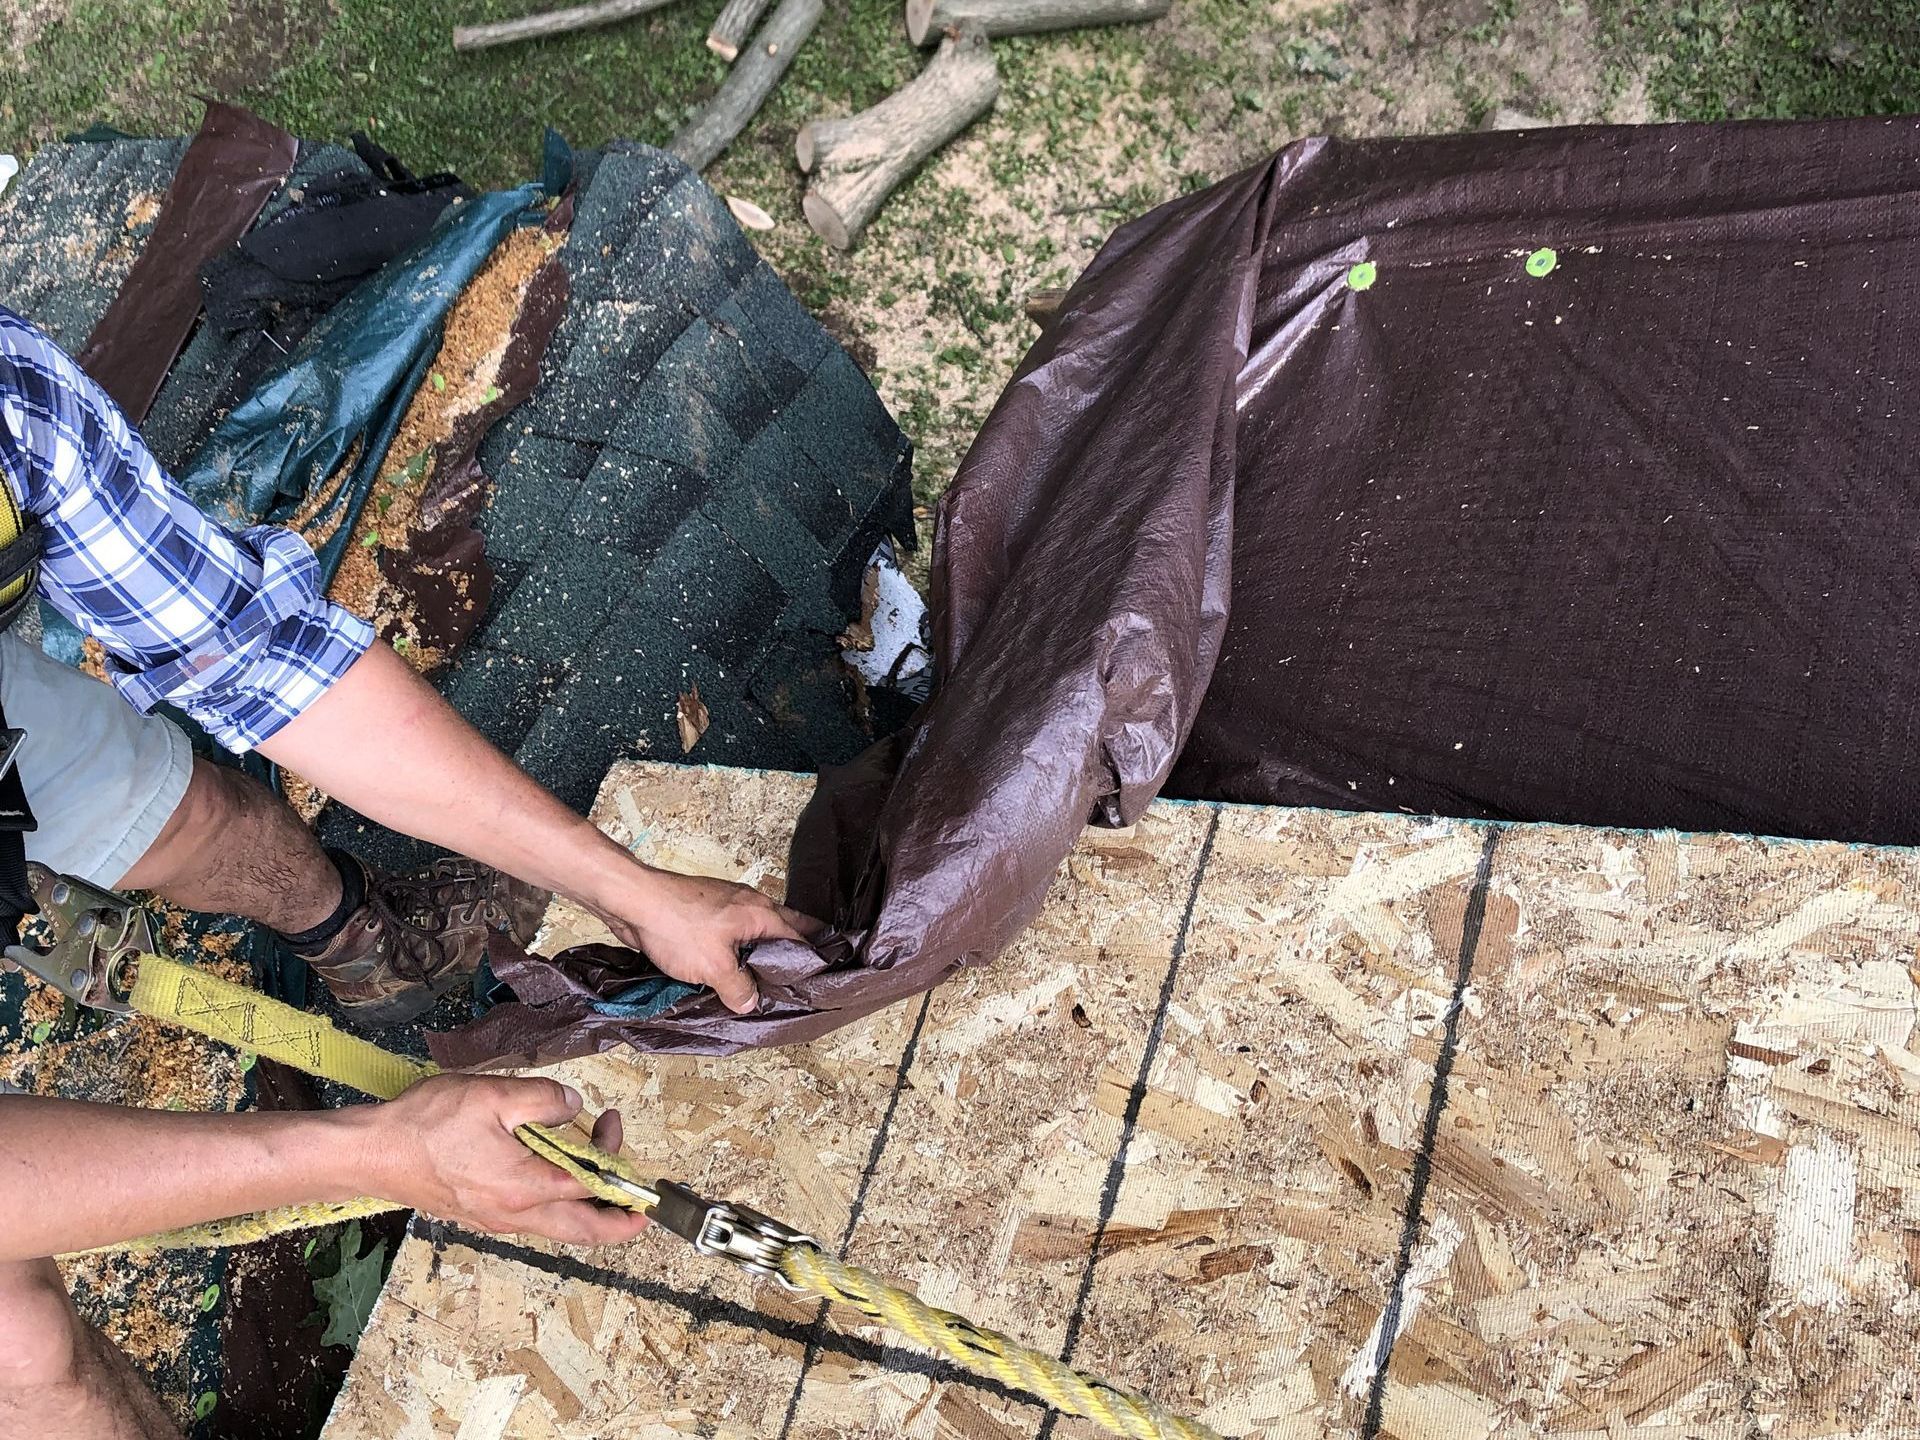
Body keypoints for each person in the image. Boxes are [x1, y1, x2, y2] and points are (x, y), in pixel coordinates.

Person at [0, 305, 824, 1437]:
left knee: (180, 810)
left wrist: (627, 886)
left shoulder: (9, 399)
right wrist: (376, 1154)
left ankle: (359, 945)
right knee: (21, 1346)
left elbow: (253, 648)